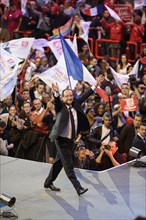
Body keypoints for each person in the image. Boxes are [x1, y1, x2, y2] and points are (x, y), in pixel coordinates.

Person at [44, 76, 104, 196]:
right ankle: (78, 188)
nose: (70, 98)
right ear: (63, 97)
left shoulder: (76, 103)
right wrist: (56, 93)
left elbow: (85, 95)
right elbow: (56, 102)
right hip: (60, 139)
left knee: (59, 162)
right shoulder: (60, 106)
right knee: (68, 164)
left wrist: (95, 85)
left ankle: (48, 182)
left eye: (71, 96)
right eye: (67, 96)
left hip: (71, 139)